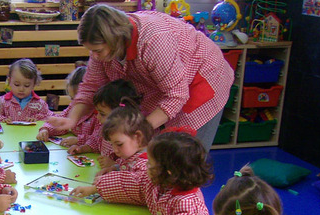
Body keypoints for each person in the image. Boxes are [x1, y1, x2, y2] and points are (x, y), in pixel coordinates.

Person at [48, 5, 234, 151]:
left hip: (202, 80)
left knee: (181, 156)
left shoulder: (154, 41)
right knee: (153, 150)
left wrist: (141, 129)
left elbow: (176, 95)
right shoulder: (105, 46)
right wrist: (72, 119)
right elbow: (90, 86)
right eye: (90, 50)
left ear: (115, 39)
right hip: (167, 83)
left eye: (97, 51)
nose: (94, 56)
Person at [72, 130, 211, 215]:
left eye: (150, 163)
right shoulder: (156, 180)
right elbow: (131, 184)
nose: (145, 165)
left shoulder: (188, 202)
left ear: (168, 171)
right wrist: (95, 188)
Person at [68, 80, 143, 171]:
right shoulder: (104, 128)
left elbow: (133, 166)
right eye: (97, 112)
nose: (98, 117)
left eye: (102, 114)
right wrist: (82, 149)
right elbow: (96, 141)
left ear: (119, 114)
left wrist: (114, 165)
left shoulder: (128, 137)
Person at [37, 63, 88, 144]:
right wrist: (46, 129)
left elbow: (99, 138)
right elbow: (60, 121)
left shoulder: (98, 114)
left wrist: (79, 140)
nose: (75, 104)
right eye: (72, 99)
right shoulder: (72, 107)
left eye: (80, 100)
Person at [0, 58, 52, 123]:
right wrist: (2, 119)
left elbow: (49, 117)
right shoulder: (2, 102)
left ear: (34, 84)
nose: (21, 89)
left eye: (27, 85)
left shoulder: (40, 104)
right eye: (17, 84)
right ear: (9, 81)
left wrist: (37, 119)